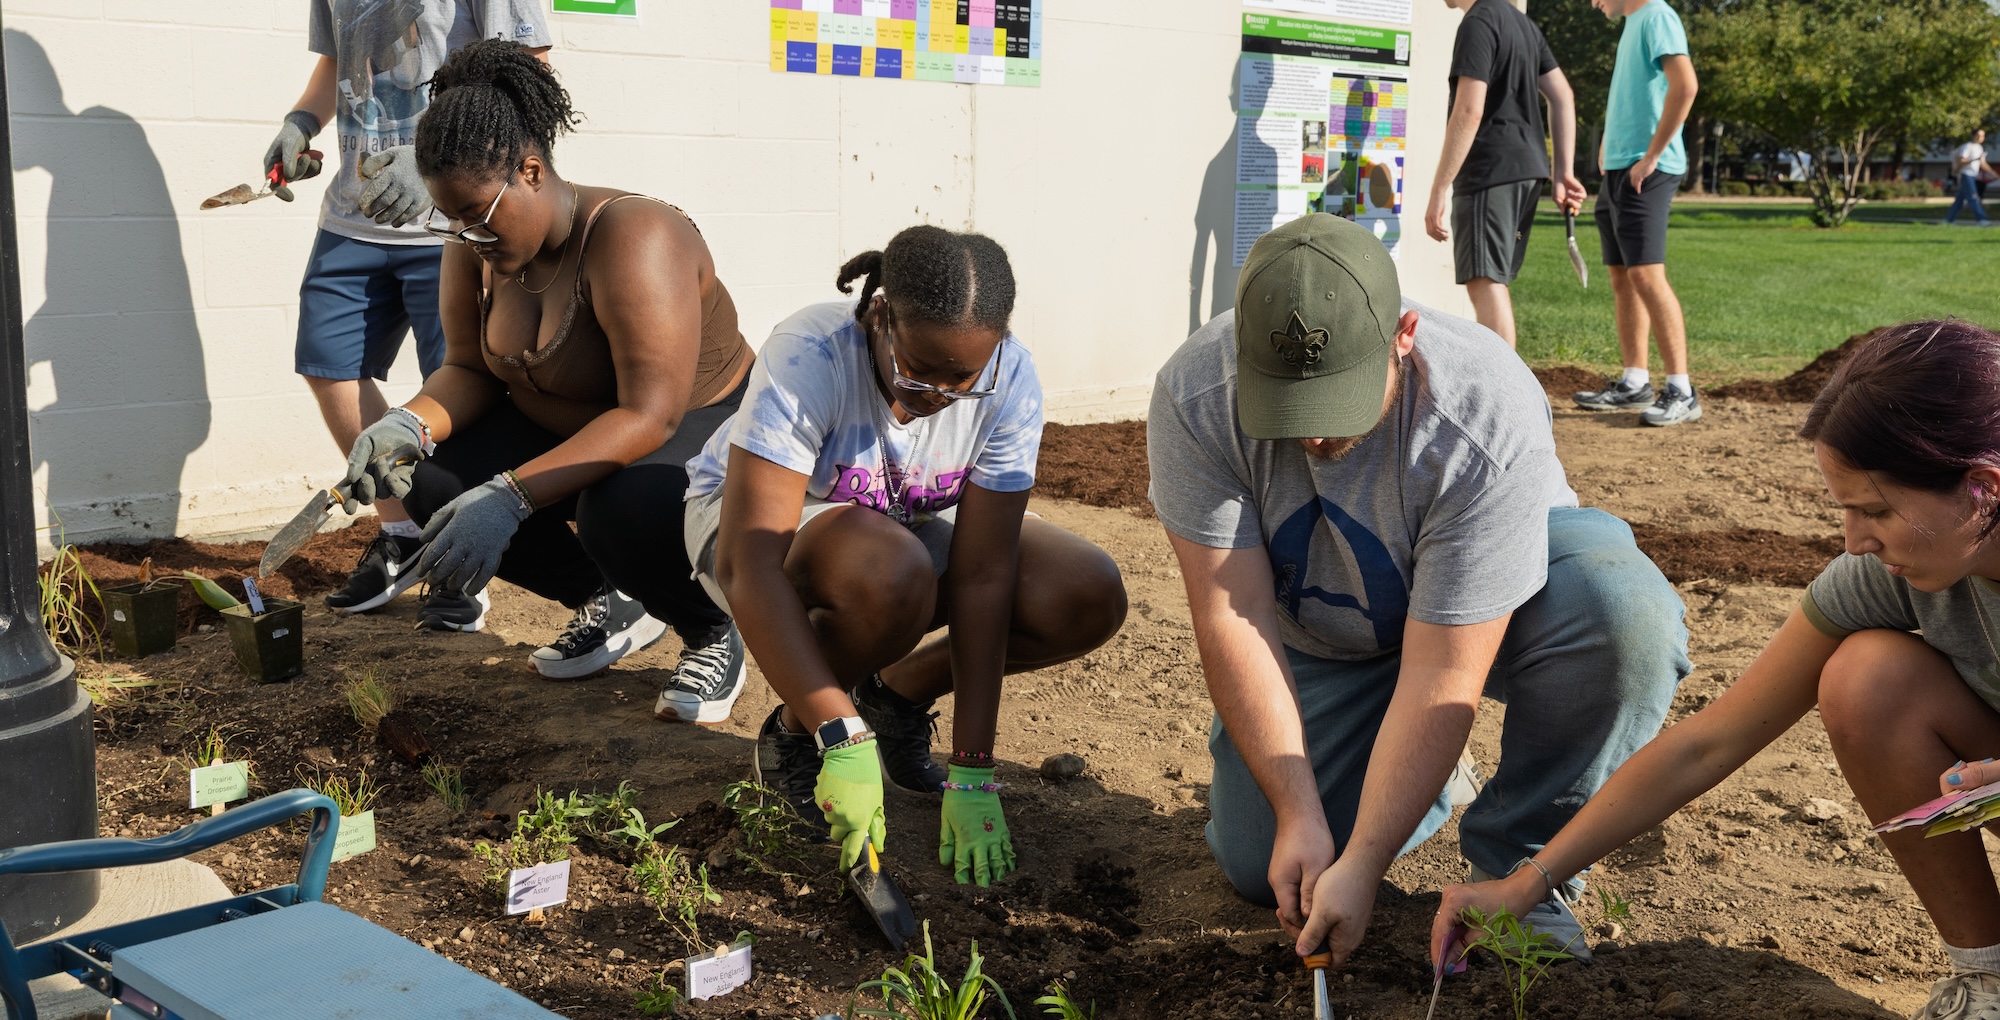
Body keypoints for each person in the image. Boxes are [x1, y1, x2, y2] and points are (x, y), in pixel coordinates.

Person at [1148, 213, 1688, 968]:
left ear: (1404, 333)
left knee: (1622, 619)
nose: (1311, 438)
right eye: (1288, 407)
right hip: (1330, 629)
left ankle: (1521, 866)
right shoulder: (1196, 393)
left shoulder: (1483, 406)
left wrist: (1366, 860)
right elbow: (1230, 614)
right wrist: (1298, 809)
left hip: (1499, 604)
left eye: (1336, 400)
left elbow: (1443, 669)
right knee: (1258, 864)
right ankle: (1417, 776)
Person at [1437, 320, 2000, 1020]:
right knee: (1867, 678)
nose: (1854, 541)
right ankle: (1988, 979)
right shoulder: (1887, 575)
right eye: (1848, 511)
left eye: (1878, 511)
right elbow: (1711, 741)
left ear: (1982, 488)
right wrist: (1527, 881)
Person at [682, 226, 1127, 884]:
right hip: (752, 528)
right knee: (891, 574)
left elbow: (984, 573)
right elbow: (747, 564)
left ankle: (892, 699)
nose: (937, 399)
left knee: (1083, 591)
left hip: (896, 522)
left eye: (961, 381)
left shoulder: (1011, 378)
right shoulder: (813, 352)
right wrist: (837, 731)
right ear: (882, 314)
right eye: (920, 371)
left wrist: (974, 768)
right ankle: (799, 733)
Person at [337, 40, 755, 716]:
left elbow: (651, 415)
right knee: (423, 476)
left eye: (476, 214)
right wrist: (405, 425)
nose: (466, 234)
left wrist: (508, 495)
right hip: (571, 423)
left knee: (616, 510)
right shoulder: (475, 246)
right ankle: (607, 596)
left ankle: (709, 628)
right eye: (452, 220)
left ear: (531, 171)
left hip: (693, 427)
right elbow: (469, 369)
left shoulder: (635, 237)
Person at [265, 1, 551, 615]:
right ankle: (403, 533)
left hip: (447, 218)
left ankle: (462, 560)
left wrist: (438, 162)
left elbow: (527, 72)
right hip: (352, 212)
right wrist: (300, 121)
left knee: (458, 387)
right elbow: (337, 66)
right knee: (328, 364)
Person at [1571, 0, 1701, 427]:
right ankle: (1634, 381)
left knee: (1646, 274)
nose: (1593, 3)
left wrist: (1651, 157)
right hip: (1620, 169)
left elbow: (1685, 86)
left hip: (1648, 168)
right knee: (1623, 277)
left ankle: (1682, 390)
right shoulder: (1633, 24)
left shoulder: (1657, 15)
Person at [1423, 0, 1582, 348]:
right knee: (1493, 279)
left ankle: (1505, 395)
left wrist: (1439, 189)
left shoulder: (1478, 21)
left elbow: (1468, 109)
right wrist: (1562, 173)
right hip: (1526, 172)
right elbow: (1564, 96)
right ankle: (1506, 390)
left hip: (1489, 170)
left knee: (1486, 281)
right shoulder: (1522, 23)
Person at [1945, 129, 1994, 226]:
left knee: (1959, 200)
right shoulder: (1967, 146)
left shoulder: (1979, 148)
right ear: (1973, 136)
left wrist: (1992, 172)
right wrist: (1974, 159)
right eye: (1979, 135)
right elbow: (1962, 161)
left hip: (1972, 175)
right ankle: (1981, 219)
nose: (1981, 138)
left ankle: (1948, 220)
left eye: (1983, 136)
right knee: (1973, 198)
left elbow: (1982, 163)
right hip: (1966, 174)